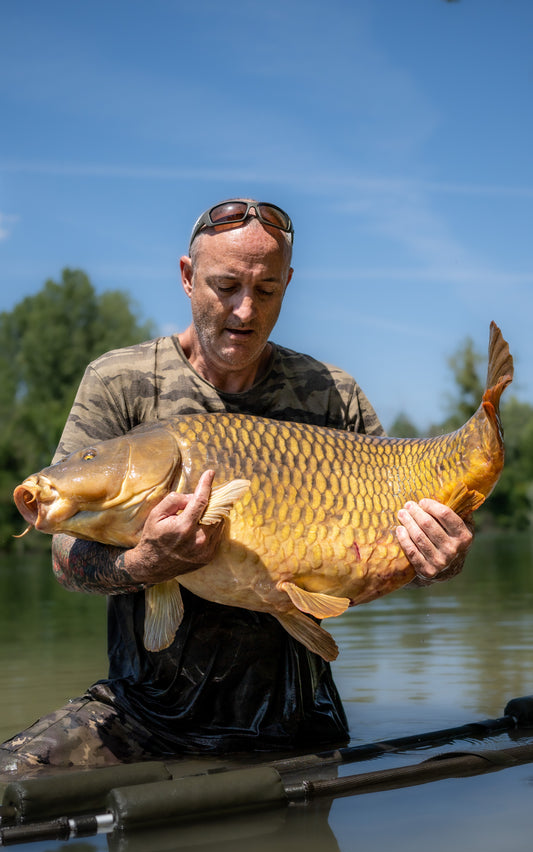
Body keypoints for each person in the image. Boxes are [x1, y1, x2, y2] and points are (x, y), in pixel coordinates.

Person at [0, 199, 473, 777]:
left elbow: (378, 553)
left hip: (298, 718)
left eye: (267, 291)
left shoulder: (332, 395)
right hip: (146, 713)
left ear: (288, 284)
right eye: (225, 286)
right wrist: (146, 562)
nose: (245, 310)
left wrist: (438, 561)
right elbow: (64, 556)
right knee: (13, 782)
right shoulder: (121, 383)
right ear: (186, 276)